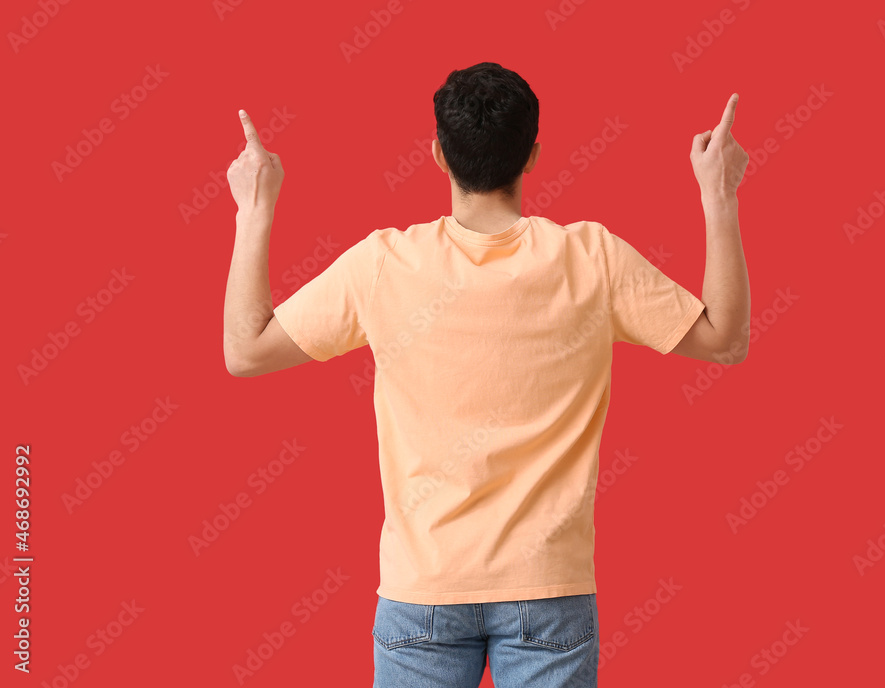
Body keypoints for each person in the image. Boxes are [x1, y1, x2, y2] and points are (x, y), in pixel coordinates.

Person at [223, 61, 750, 688]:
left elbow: (245, 350)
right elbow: (725, 340)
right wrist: (718, 196)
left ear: (440, 156)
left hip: (423, 590)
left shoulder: (383, 265)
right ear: (532, 156)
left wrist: (254, 209)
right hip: (549, 592)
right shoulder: (592, 258)